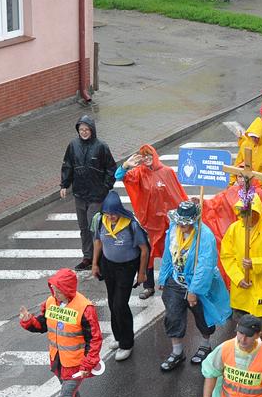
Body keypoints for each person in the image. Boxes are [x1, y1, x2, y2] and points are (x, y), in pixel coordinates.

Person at [19, 268, 102, 397]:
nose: (54, 293)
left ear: (68, 289)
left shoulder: (85, 308)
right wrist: (28, 321)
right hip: (58, 360)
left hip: (76, 365)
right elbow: (41, 325)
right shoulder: (51, 303)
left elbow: (95, 339)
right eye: (53, 289)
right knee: (70, 392)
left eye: (58, 290)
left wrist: (86, 366)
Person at [158, 201, 232, 371]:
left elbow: (205, 266)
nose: (183, 225)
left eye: (187, 222)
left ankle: (205, 345)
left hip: (199, 284)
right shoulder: (174, 229)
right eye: (180, 222)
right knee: (172, 316)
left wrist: (195, 291)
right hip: (176, 281)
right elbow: (168, 255)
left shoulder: (205, 236)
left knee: (203, 317)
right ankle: (177, 352)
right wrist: (163, 278)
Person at [116, 144, 187, 300]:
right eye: (144, 156)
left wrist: (185, 213)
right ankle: (148, 287)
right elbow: (119, 176)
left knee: (173, 253)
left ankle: (175, 283)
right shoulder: (139, 173)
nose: (147, 159)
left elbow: (177, 194)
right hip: (147, 224)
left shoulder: (167, 172)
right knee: (146, 254)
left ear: (154, 155)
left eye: (149, 155)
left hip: (168, 224)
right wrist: (126, 166)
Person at [91, 192, 149, 361]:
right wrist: (95, 264)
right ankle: (119, 336)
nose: (111, 217)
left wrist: (142, 273)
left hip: (127, 267)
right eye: (108, 214)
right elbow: (97, 242)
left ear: (120, 210)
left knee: (120, 304)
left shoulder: (131, 224)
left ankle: (127, 343)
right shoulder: (100, 221)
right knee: (111, 302)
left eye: (114, 214)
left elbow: (144, 249)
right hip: (109, 265)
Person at [60, 115, 117, 270]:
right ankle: (87, 257)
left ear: (92, 130)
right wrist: (64, 184)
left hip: (96, 196)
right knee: (84, 228)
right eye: (81, 129)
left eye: (87, 129)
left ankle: (99, 259)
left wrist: (105, 187)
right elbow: (68, 165)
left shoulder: (101, 146)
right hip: (79, 194)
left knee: (95, 228)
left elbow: (111, 168)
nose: (84, 132)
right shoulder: (73, 145)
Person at [220, 194, 262, 320]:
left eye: (249, 213)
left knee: (259, 332)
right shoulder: (233, 229)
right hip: (241, 293)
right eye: (242, 213)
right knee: (241, 333)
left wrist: (255, 263)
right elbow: (226, 256)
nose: (245, 217)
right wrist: (239, 278)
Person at [231, 121, 262, 195]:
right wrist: (231, 183)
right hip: (244, 188)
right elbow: (237, 164)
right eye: (252, 137)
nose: (254, 139)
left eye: (256, 137)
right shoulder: (245, 144)